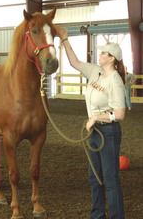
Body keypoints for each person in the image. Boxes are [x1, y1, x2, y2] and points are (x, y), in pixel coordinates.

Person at [54, 25, 126, 219]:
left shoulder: (115, 81)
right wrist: (65, 40)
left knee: (110, 180)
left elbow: (119, 114)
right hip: (94, 132)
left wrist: (95, 117)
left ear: (112, 58)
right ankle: (97, 215)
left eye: (104, 53)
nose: (100, 54)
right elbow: (74, 62)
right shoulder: (95, 71)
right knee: (94, 178)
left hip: (108, 132)